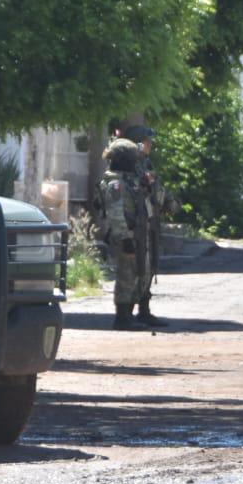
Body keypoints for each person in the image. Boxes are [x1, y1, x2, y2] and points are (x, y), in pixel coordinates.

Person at [121, 124, 178, 327]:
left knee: (149, 266)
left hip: (149, 220)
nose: (150, 144)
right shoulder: (127, 165)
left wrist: (168, 201)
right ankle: (124, 315)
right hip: (134, 223)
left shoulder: (146, 164)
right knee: (133, 270)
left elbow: (156, 186)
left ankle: (143, 310)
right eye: (146, 140)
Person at [98, 137, 148, 330]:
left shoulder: (126, 180)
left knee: (135, 274)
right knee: (126, 275)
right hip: (124, 235)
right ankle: (122, 317)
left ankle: (129, 314)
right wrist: (125, 238)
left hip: (133, 233)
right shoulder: (115, 183)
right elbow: (116, 214)